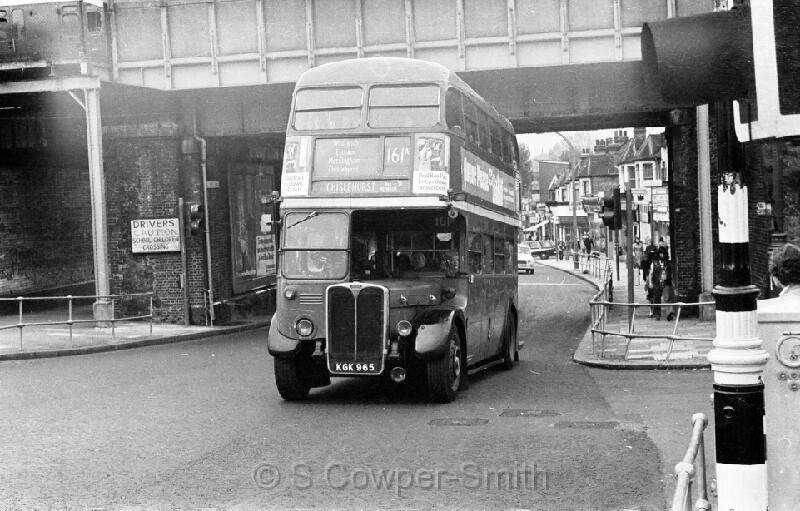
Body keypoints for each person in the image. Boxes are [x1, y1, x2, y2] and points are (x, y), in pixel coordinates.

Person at [646, 251, 667, 319]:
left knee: (664, 297)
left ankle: (666, 313)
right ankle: (657, 314)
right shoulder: (654, 263)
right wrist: (650, 282)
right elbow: (650, 273)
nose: (662, 255)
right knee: (657, 298)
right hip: (656, 283)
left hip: (665, 283)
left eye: (663, 253)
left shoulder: (666, 263)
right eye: (661, 253)